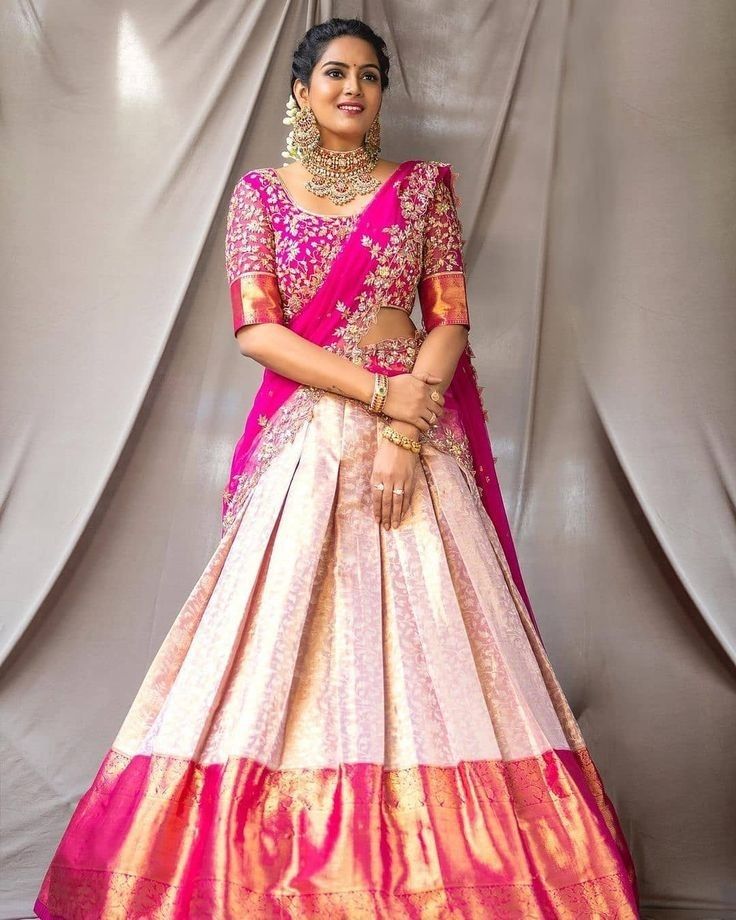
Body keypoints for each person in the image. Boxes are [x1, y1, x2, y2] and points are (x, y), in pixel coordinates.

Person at [33, 16, 640, 920]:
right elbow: (258, 332)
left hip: (416, 444)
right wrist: (377, 394)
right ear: (301, 92)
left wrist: (404, 429)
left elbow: (449, 320)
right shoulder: (259, 199)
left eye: (367, 75)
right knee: (276, 646)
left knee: (448, 644)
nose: (351, 88)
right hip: (308, 443)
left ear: (381, 93)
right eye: (333, 74)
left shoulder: (424, 190)